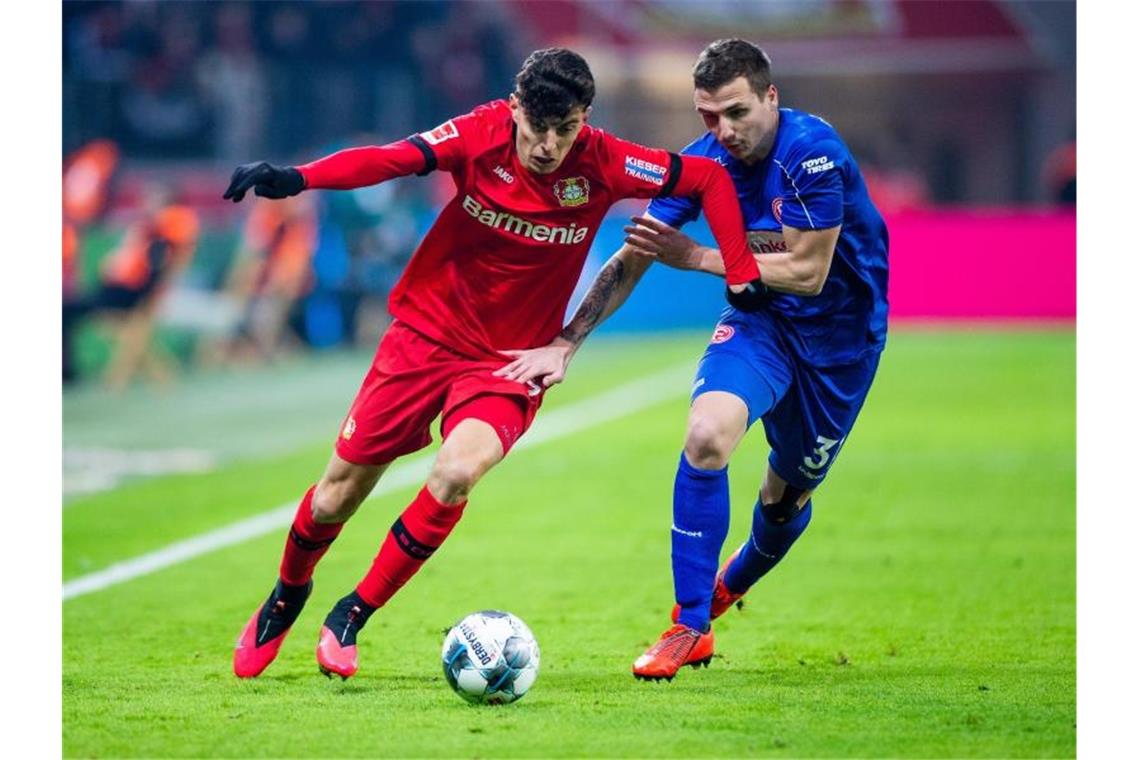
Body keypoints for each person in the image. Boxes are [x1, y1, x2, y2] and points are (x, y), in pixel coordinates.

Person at [224, 48, 768, 681]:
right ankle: (287, 594)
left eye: (564, 130)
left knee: (457, 472)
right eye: (537, 129)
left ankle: (353, 612)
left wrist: (742, 269)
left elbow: (707, 180)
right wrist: (299, 177)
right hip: (424, 337)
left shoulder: (606, 160)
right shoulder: (480, 134)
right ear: (515, 111)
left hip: (508, 362)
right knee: (336, 497)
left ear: (583, 119)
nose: (547, 146)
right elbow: (392, 159)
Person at [498, 39, 889, 681]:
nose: (723, 130)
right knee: (707, 436)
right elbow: (637, 254)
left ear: (771, 97)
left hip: (840, 346)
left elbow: (810, 271)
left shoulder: (812, 154)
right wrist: (567, 340)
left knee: (784, 500)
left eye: (736, 112)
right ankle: (690, 626)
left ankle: (728, 584)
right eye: (708, 115)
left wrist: (701, 257)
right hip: (761, 323)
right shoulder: (702, 162)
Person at [62, 189, 199, 386]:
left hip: (127, 295)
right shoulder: (149, 230)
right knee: (68, 310)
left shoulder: (165, 229)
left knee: (65, 311)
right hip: (120, 290)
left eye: (153, 199)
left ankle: (67, 372)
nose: (147, 204)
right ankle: (67, 371)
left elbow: (156, 268)